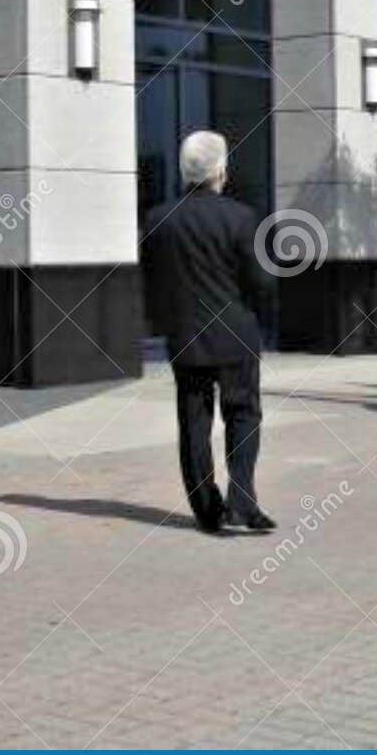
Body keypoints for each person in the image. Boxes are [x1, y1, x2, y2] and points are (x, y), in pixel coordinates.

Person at [141, 130, 275, 536]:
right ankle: (242, 503)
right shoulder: (240, 217)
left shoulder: (158, 219)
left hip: (185, 336)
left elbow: (152, 282)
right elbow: (261, 282)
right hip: (234, 334)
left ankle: (205, 509)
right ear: (221, 170)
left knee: (194, 421)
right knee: (243, 413)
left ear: (185, 172)